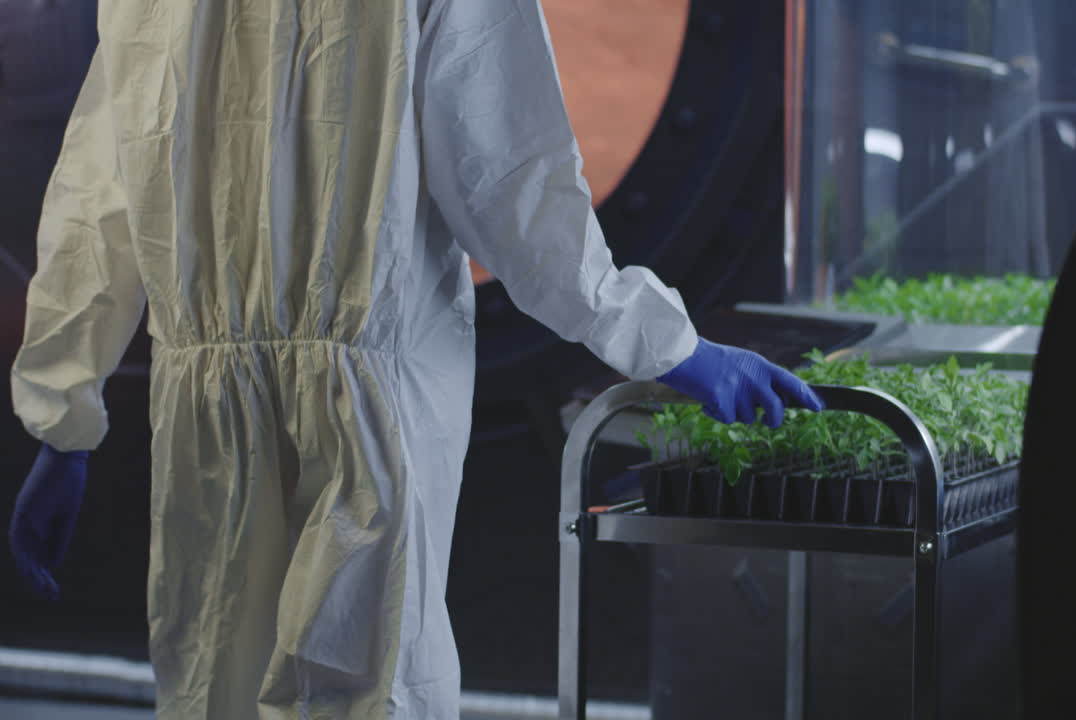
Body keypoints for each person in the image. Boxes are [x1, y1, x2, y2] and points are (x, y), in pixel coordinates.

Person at [7, 2, 823, 718]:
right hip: (368, 416)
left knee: (213, 681)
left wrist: (64, 415)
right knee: (368, 689)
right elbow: (513, 183)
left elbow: (98, 198)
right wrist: (673, 348)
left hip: (206, 420)